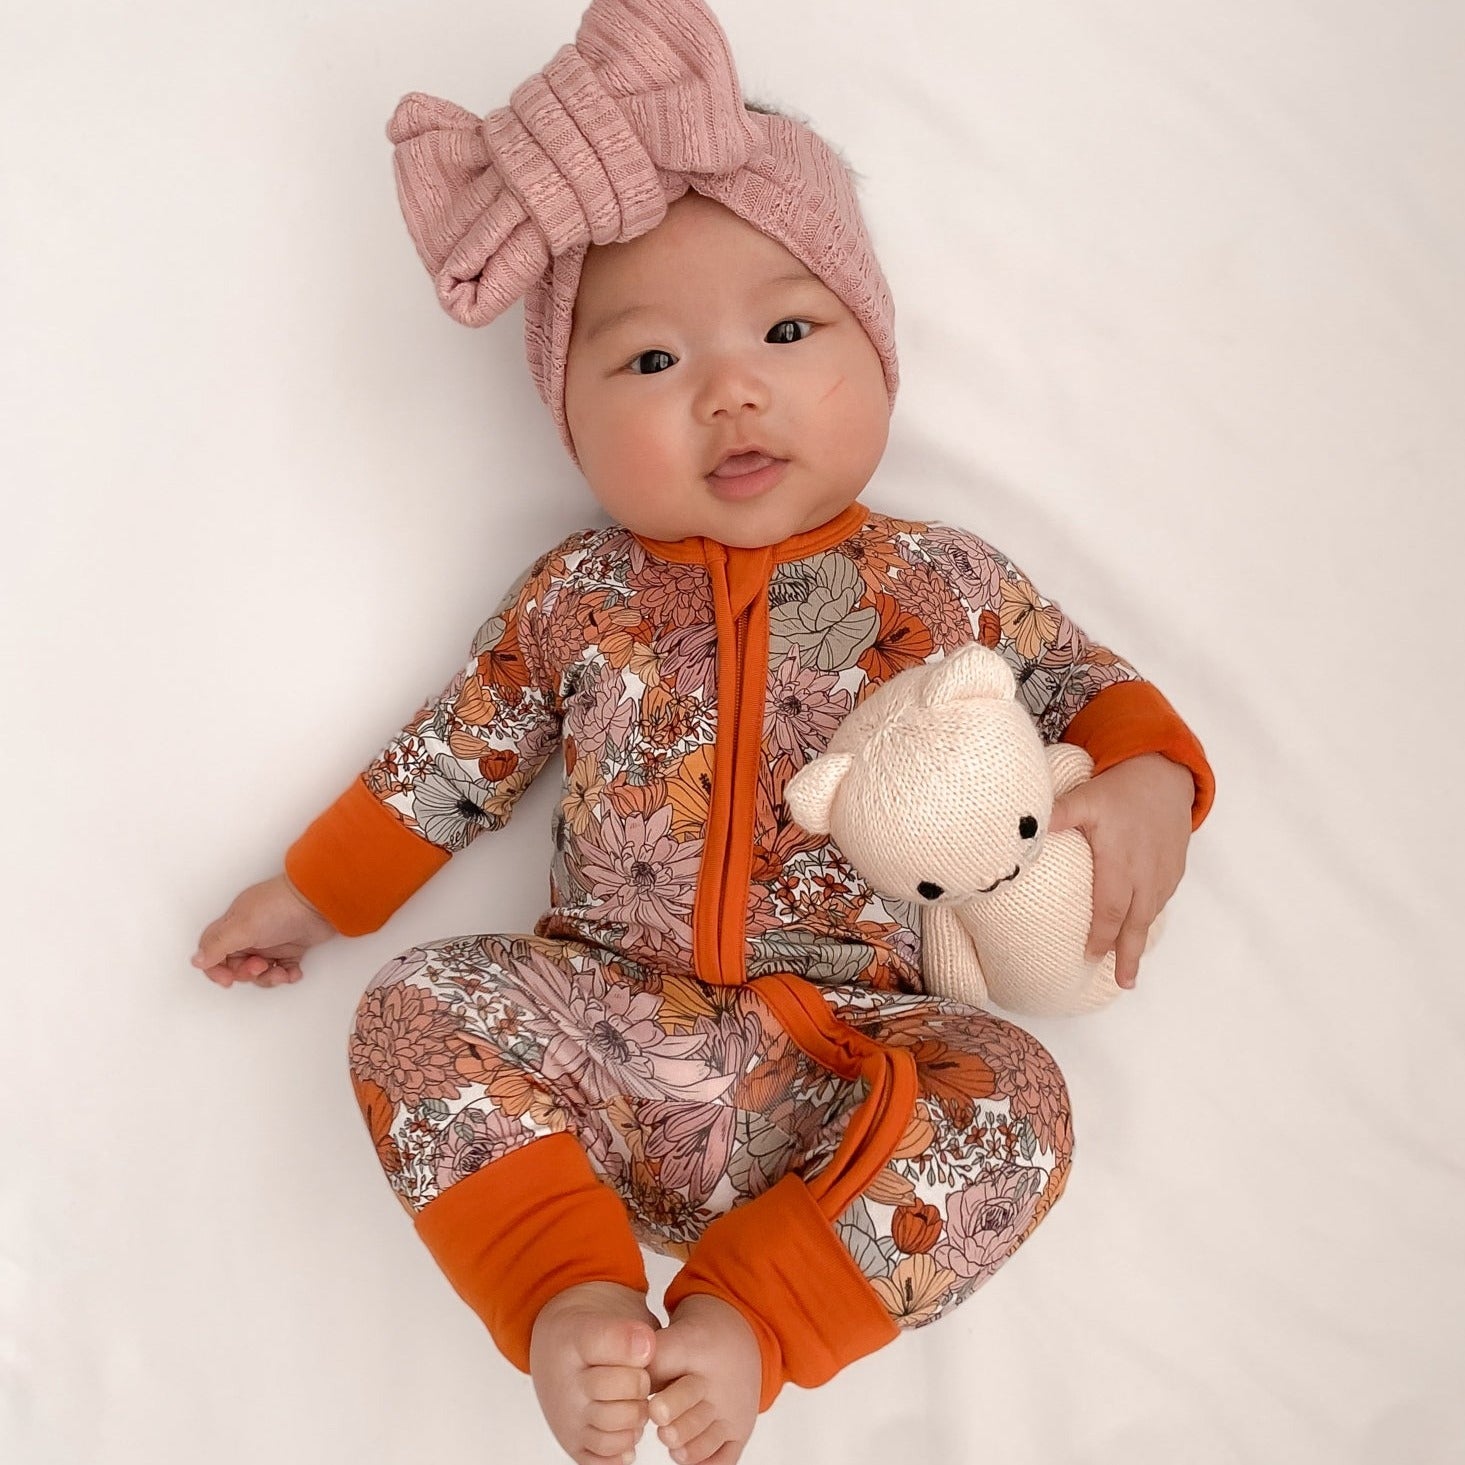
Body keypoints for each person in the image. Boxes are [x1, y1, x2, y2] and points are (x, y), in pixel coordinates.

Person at [192, 2, 1214, 1463]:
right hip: (603, 1038)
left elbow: (1082, 681)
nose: (731, 391)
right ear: (568, 416)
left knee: (1022, 1102)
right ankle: (569, 1296)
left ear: (876, 353)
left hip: (845, 1072)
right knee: (418, 1007)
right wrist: (307, 895)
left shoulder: (941, 581)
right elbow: (454, 760)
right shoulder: (577, 596)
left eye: (787, 332)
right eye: (650, 362)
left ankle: (750, 1322)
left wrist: (1155, 778)